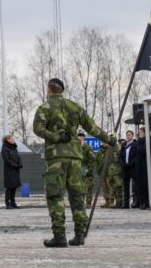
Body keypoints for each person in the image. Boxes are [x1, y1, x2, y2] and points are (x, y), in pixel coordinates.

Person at [33, 77, 114, 248]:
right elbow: (92, 128)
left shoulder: (45, 107)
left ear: (49, 90)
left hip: (56, 158)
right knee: (77, 196)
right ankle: (79, 235)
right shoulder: (76, 107)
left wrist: (55, 137)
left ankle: (59, 236)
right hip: (76, 158)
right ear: (62, 90)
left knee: (55, 196)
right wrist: (109, 140)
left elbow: (38, 129)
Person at [133, 127, 151, 210]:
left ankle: (149, 201)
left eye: (141, 132)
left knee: (147, 185)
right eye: (139, 132)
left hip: (146, 167)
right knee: (140, 185)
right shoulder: (138, 142)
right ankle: (142, 201)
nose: (140, 133)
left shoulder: (149, 143)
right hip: (139, 167)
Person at [0, 134, 22, 209]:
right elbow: (7, 160)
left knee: (14, 187)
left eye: (13, 139)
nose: (13, 140)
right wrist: (14, 165)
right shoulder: (5, 149)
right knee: (9, 188)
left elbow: (18, 157)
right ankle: (7, 204)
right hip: (9, 171)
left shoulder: (14, 148)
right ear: (7, 140)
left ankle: (13, 203)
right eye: (12, 139)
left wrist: (19, 164)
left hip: (15, 170)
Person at [120, 130, 137, 209]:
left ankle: (135, 202)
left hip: (132, 168)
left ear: (132, 136)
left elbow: (136, 156)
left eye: (129, 135)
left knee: (135, 187)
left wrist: (131, 164)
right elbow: (121, 156)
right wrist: (123, 164)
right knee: (125, 187)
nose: (128, 136)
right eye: (127, 135)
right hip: (125, 168)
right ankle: (126, 203)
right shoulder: (123, 145)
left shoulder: (135, 144)